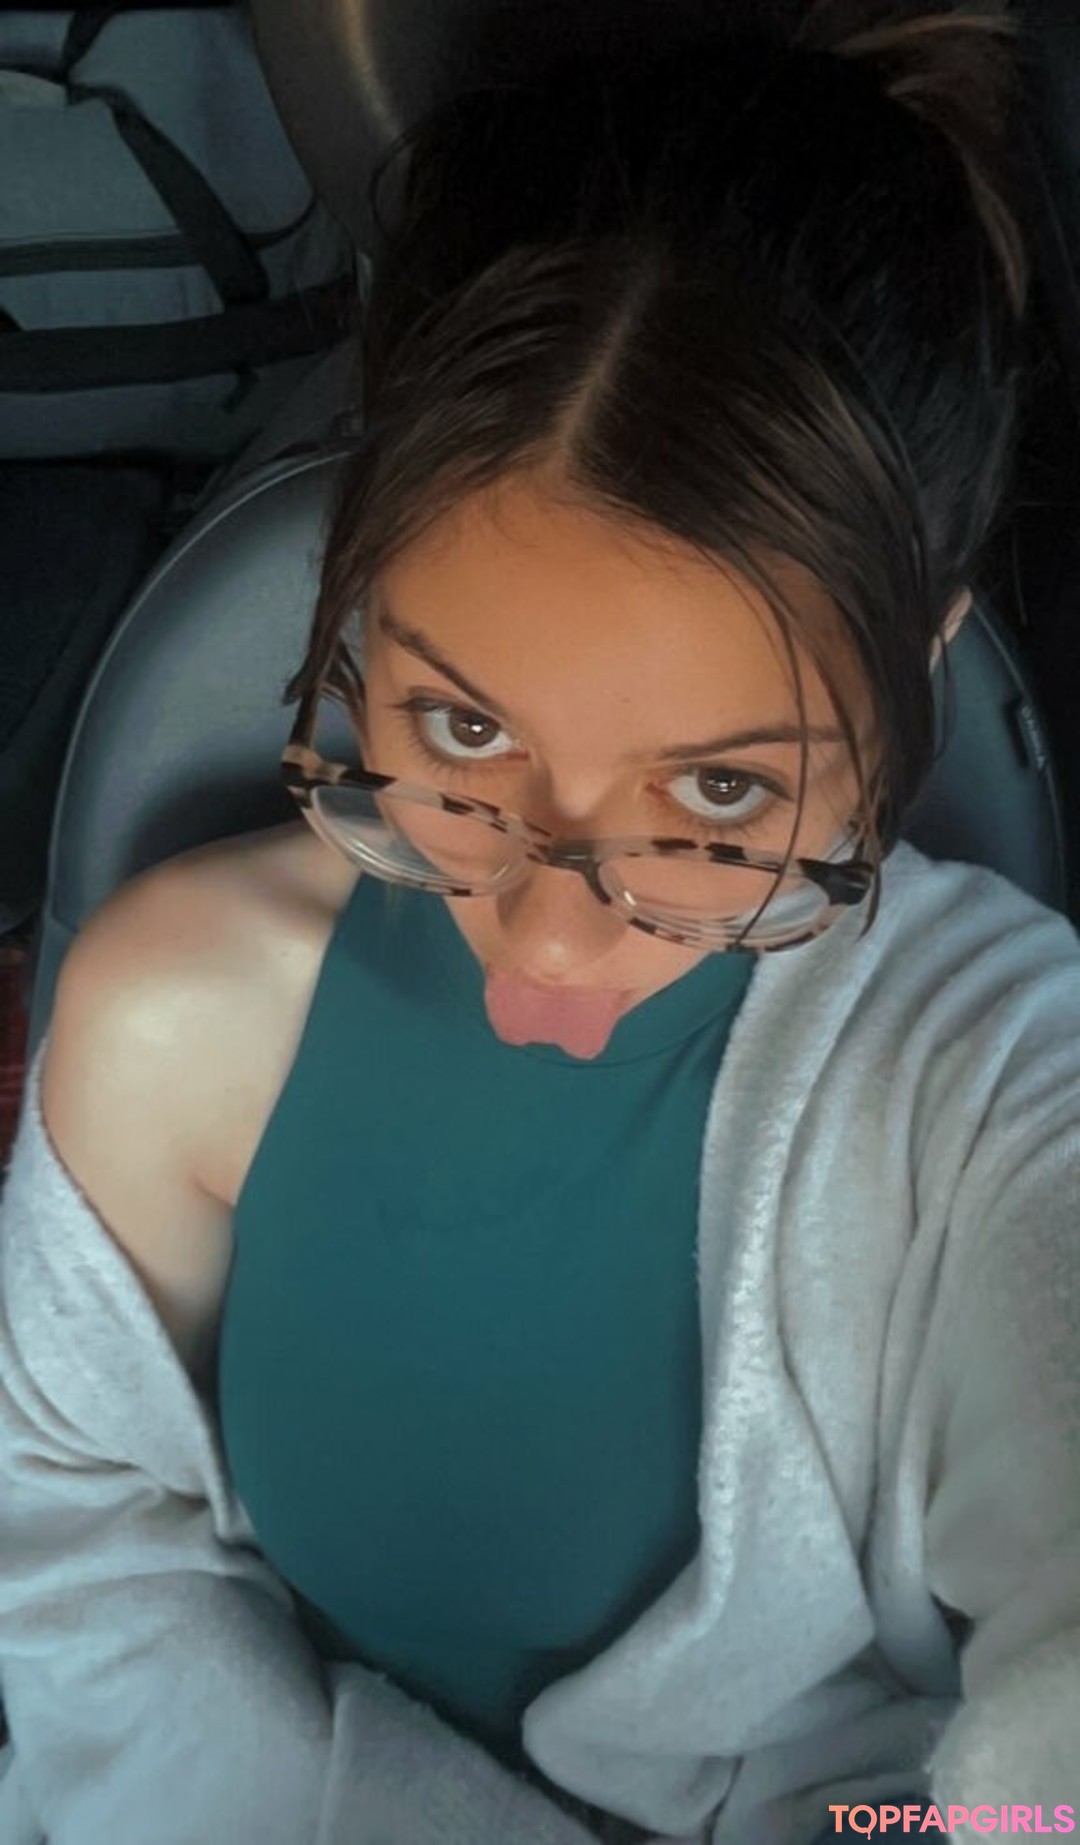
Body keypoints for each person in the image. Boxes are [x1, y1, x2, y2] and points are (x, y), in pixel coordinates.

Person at [2, 4, 1079, 1843]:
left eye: (721, 795)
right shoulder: (166, 1024)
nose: (558, 942)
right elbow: (83, 1560)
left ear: (921, 661)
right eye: (461, 731)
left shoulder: (988, 1084)